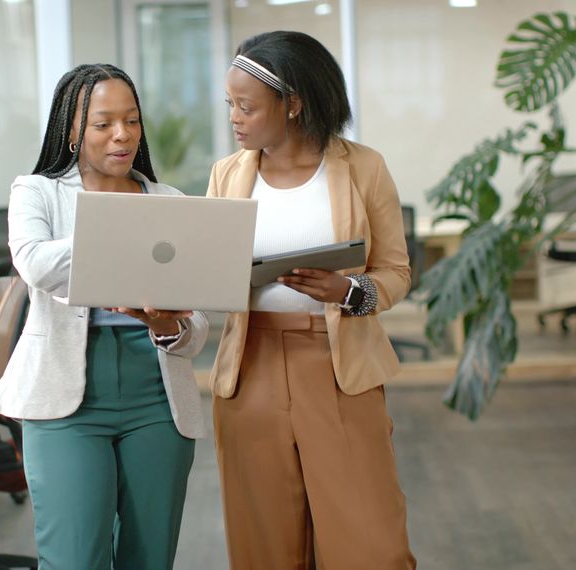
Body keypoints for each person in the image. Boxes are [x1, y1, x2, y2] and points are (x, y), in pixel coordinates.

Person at [207, 31, 417, 569]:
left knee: (372, 547)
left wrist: (350, 291)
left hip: (339, 368)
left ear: (293, 102)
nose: (235, 117)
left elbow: (395, 270)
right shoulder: (228, 176)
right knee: (265, 547)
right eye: (230, 104)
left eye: (247, 106)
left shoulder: (363, 168)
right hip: (249, 368)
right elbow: (204, 274)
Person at [0, 63, 208, 570]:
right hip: (65, 397)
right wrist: (126, 238)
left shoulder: (167, 201)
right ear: (72, 130)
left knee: (149, 558)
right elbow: (36, 265)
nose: (122, 135)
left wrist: (167, 325)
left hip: (156, 393)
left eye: (132, 121)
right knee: (73, 560)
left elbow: (195, 325)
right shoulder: (37, 192)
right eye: (104, 123)